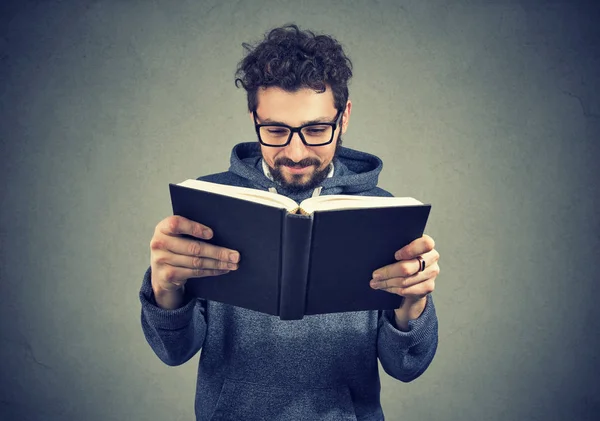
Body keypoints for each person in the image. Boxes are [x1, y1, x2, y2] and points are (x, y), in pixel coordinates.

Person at [140, 24, 440, 421]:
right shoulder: (209, 205)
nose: (295, 152)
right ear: (254, 118)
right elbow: (174, 351)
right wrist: (164, 289)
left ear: (344, 117)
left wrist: (414, 302)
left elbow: (407, 367)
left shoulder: (383, 213)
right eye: (276, 131)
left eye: (316, 130)